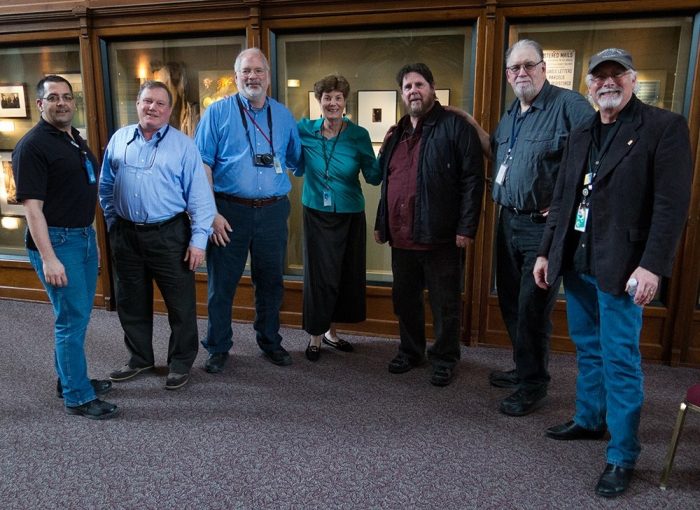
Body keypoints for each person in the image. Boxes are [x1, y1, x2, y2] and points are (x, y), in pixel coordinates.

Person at [534, 48, 692, 498]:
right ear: (588, 85)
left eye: (616, 75)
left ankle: (623, 453)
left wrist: (652, 266)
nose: (607, 83)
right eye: (599, 77)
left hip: (624, 268)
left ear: (632, 79)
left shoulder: (663, 128)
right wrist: (547, 253)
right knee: (588, 349)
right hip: (579, 262)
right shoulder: (582, 131)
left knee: (620, 359)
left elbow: (670, 207)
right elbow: (564, 198)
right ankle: (589, 420)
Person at [490, 39, 593, 416]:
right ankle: (523, 368)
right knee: (512, 303)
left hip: (543, 228)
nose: (521, 73)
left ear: (543, 67)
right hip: (508, 222)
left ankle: (533, 385)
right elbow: (502, 156)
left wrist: (567, 204)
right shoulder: (511, 114)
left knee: (533, 307)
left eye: (528, 66)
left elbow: (596, 156)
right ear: (507, 75)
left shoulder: (570, 106)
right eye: (515, 68)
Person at [99, 80, 216, 390]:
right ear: (137, 104)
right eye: (147, 101)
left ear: (169, 110)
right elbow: (105, 186)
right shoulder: (120, 138)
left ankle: (180, 363)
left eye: (159, 103)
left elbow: (201, 199)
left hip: (170, 235)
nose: (152, 107)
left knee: (180, 305)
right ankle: (140, 359)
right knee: (130, 301)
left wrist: (198, 241)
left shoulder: (183, 146)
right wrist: (114, 224)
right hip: (126, 235)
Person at [12, 75, 117, 419]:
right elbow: (32, 211)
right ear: (40, 104)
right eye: (53, 97)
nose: (62, 103)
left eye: (67, 97)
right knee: (71, 321)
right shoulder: (32, 146)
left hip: (82, 238)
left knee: (77, 316)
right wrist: (49, 259)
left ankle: (68, 378)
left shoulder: (72, 138)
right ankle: (77, 395)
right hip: (57, 242)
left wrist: (89, 241)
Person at [374, 63, 484, 387]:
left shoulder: (455, 127)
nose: (413, 91)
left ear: (432, 87)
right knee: (404, 299)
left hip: (441, 237)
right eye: (407, 87)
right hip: (402, 237)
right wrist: (383, 223)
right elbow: (388, 181)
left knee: (444, 302)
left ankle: (445, 358)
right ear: (402, 94)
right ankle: (411, 351)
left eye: (419, 84)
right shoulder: (396, 133)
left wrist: (466, 228)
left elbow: (473, 180)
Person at [194, 48, 302, 373]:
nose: (252, 76)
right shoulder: (217, 113)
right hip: (228, 212)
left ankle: (270, 341)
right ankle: (217, 347)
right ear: (236, 75)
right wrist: (210, 213)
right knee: (221, 284)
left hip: (272, 212)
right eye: (246, 71)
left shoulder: (283, 116)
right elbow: (202, 164)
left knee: (270, 282)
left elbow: (297, 160)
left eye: (258, 71)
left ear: (268, 77)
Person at [297, 74, 381, 361]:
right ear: (318, 101)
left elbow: (373, 176)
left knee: (344, 275)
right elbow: (293, 161)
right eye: (327, 97)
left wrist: (390, 151)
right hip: (316, 214)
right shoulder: (305, 130)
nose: (332, 103)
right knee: (319, 276)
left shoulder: (358, 135)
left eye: (338, 98)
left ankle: (332, 333)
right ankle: (315, 337)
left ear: (345, 102)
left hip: (350, 215)